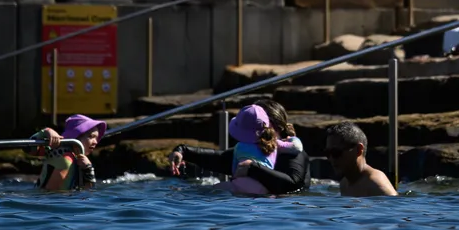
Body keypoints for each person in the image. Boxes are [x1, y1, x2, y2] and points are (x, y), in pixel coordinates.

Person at [167, 98, 311, 195]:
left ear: (275, 127)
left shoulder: (295, 153)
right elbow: (219, 159)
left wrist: (253, 168)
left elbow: (292, 185)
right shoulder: (251, 150)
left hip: (284, 215)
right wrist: (183, 151)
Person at [220, 104, 284, 196]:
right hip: (265, 188)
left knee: (215, 188)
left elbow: (234, 170)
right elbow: (294, 147)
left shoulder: (239, 146)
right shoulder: (274, 145)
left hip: (241, 186)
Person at [325, 121, 396, 197]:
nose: (331, 159)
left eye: (336, 152)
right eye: (327, 153)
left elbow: (394, 207)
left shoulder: (376, 185)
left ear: (358, 150)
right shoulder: (344, 183)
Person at [35, 114, 103, 191]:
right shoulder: (65, 158)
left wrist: (88, 169)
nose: (95, 142)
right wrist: (46, 132)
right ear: (76, 136)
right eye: (91, 136)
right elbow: (51, 194)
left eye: (96, 138)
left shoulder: (78, 159)